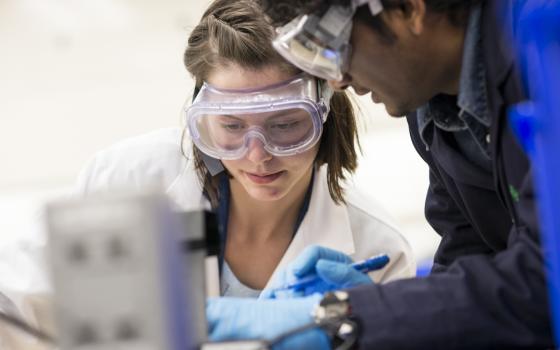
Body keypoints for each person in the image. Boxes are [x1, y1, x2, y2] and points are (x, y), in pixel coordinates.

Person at [0, 2, 414, 344]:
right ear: (200, 119)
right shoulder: (129, 177)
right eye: (231, 127)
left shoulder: (376, 247)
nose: (257, 156)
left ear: (324, 113)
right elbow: (14, 304)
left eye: (286, 125)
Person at [206, 0, 555, 348]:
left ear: (409, 9)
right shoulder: (430, 103)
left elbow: (546, 282)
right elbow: (468, 255)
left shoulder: (547, 45)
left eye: (334, 42)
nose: (337, 79)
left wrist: (346, 314)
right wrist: (400, 315)